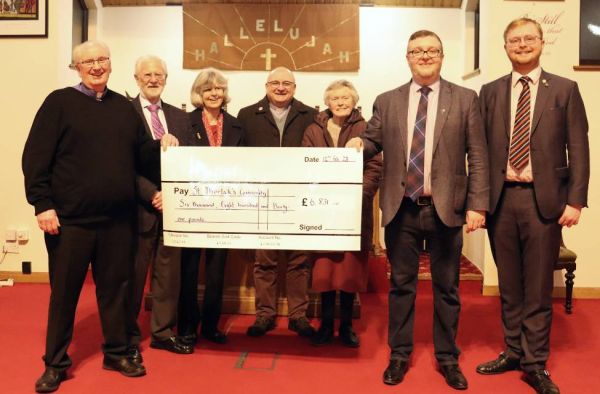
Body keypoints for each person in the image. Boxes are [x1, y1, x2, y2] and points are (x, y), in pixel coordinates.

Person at [22, 41, 179, 393]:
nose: (96, 66)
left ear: (111, 64)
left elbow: (142, 158)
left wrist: (163, 144)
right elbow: (35, 158)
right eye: (88, 61)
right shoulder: (58, 103)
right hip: (70, 222)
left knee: (116, 291)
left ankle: (117, 352)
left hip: (118, 222)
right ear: (76, 67)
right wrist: (42, 204)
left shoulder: (124, 109)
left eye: (102, 59)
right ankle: (55, 363)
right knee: (64, 295)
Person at [346, 30, 489, 390]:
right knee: (401, 286)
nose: (424, 56)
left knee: (447, 288)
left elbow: (479, 156)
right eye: (417, 51)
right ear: (406, 57)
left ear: (442, 56)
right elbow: (373, 140)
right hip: (402, 208)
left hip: (447, 209)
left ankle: (447, 357)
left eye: (432, 50)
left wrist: (477, 205)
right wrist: (355, 144)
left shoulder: (466, 98)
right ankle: (399, 354)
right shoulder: (387, 100)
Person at [476, 18, 589, 394]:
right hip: (501, 200)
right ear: (505, 46)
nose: (522, 45)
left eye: (528, 38)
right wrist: (477, 201)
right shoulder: (489, 92)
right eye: (514, 40)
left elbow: (580, 148)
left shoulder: (565, 89)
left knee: (538, 288)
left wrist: (576, 199)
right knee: (509, 284)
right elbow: (478, 152)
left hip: (546, 202)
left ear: (541, 43)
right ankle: (512, 350)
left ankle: (535, 363)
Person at [237, 67, 318, 338]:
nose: (281, 87)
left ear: (295, 87)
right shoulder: (247, 115)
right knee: (265, 260)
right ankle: (265, 315)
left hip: (299, 197)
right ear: (266, 85)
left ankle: (298, 315)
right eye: (275, 83)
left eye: (287, 83)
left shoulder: (311, 115)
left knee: (299, 260)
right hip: (263, 198)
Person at [302, 80, 382, 347]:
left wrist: (358, 196)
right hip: (322, 210)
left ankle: (346, 326)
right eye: (335, 98)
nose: (340, 103)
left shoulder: (367, 128)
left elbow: (374, 167)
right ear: (327, 102)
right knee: (325, 270)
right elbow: (304, 164)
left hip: (353, 210)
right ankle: (325, 325)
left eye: (345, 98)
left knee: (348, 270)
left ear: (354, 101)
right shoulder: (313, 129)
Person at [128, 55, 194, 357]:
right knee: (132, 275)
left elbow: (190, 163)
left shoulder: (181, 117)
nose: (153, 79)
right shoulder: (124, 113)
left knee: (169, 276)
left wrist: (172, 194)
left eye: (159, 74)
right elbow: (120, 163)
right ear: (136, 78)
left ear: (166, 79)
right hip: (137, 208)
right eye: (147, 74)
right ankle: (126, 334)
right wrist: (153, 193)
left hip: (173, 209)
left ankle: (163, 333)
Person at [177, 68, 245, 346]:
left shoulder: (238, 125)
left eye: (219, 89)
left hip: (224, 206)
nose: (214, 93)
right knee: (189, 269)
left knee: (218, 270)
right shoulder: (183, 123)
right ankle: (187, 326)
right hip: (193, 206)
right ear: (199, 94)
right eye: (208, 89)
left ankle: (211, 325)